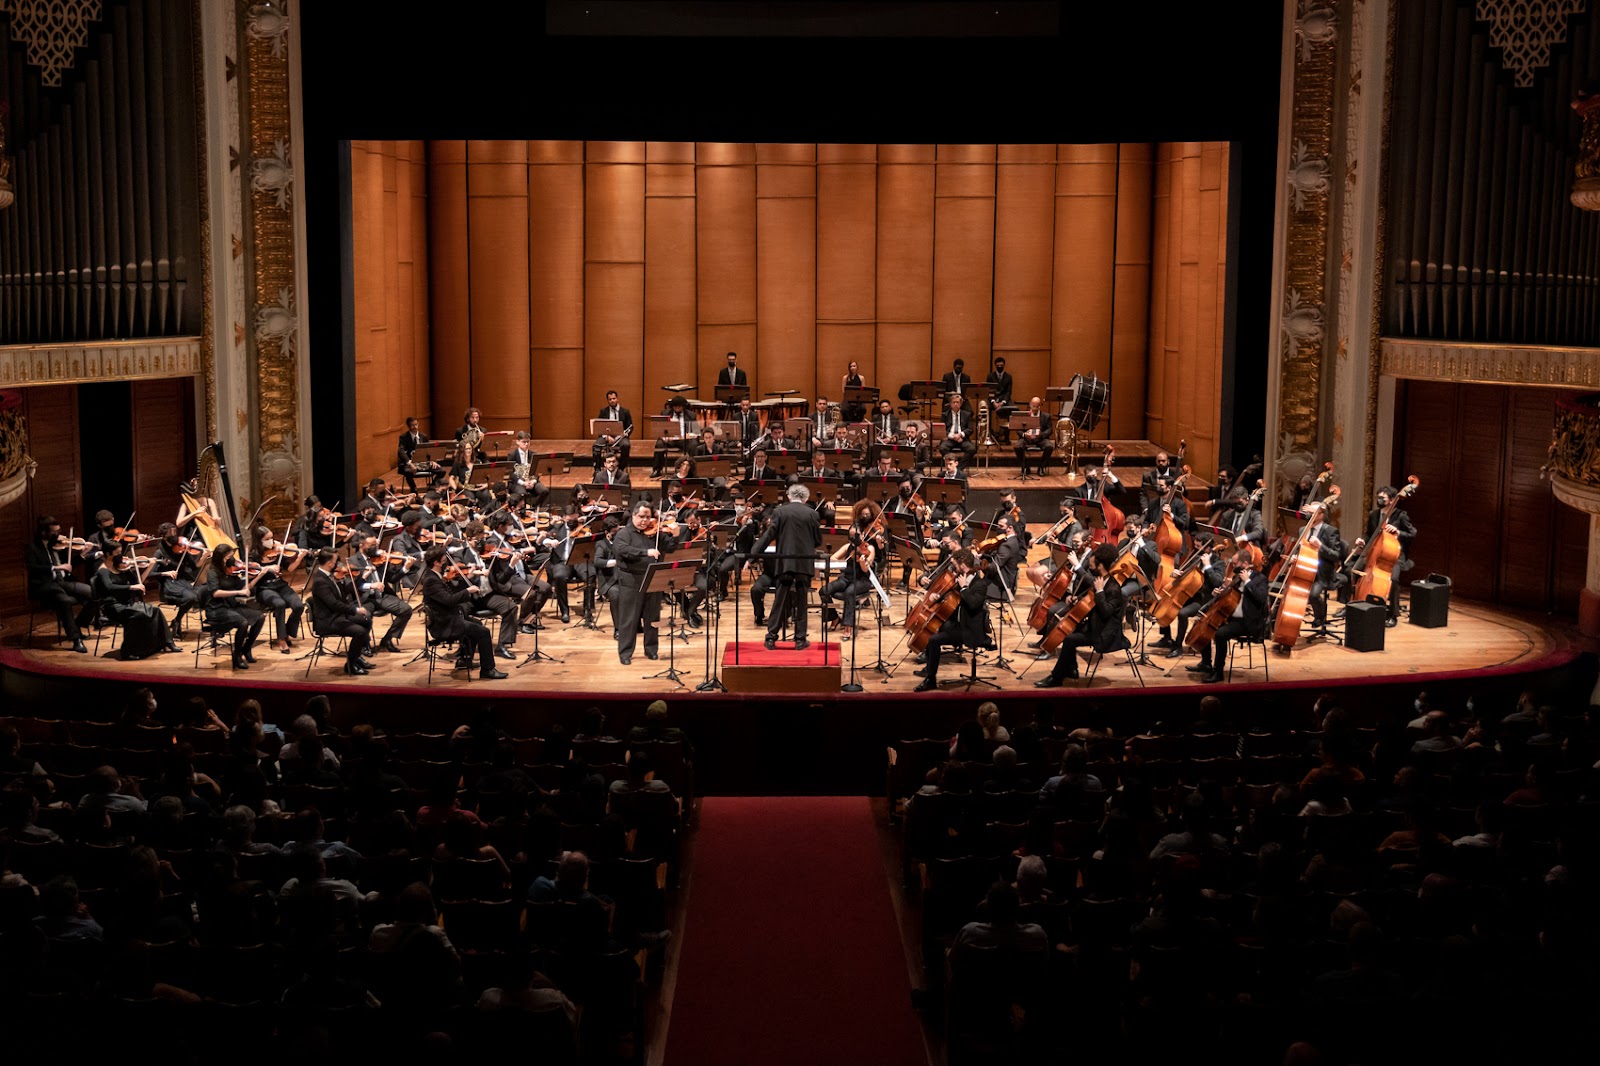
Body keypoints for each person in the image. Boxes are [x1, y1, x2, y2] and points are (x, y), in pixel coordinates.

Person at [1035, 544, 1128, 687]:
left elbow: (1106, 613)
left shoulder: (1113, 588)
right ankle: (1071, 670)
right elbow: (1091, 603)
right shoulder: (1101, 580)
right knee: (1068, 633)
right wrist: (1076, 600)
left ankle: (1057, 677)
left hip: (1105, 635)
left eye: (1092, 566)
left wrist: (1099, 592)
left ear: (1101, 566)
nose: (1090, 569)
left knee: (1070, 638)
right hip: (1096, 626)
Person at [752, 482, 823, 650]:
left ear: (789, 497)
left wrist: (753, 555)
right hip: (804, 563)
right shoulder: (812, 514)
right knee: (801, 600)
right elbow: (818, 541)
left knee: (780, 599)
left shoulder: (779, 512)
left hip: (785, 563)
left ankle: (771, 638)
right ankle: (800, 640)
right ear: (805, 499)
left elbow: (768, 536)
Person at [419, 546, 506, 679]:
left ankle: (464, 660)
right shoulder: (431, 580)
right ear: (436, 563)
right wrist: (468, 591)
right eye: (444, 561)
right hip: (444, 624)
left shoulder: (435, 576)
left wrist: (469, 579)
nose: (446, 564)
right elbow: (449, 600)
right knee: (484, 632)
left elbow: (452, 593)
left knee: (477, 624)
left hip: (449, 618)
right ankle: (488, 670)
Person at [914, 549, 991, 691]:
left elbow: (973, 604)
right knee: (932, 630)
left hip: (970, 629)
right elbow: (951, 599)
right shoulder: (959, 579)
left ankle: (931, 679)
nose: (954, 568)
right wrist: (938, 598)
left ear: (962, 565)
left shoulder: (980, 584)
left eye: (955, 565)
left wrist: (964, 588)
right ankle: (929, 668)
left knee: (934, 640)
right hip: (958, 625)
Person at [91, 544, 179, 658]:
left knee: (156, 610)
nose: (121, 556)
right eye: (118, 553)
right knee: (138, 615)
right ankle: (128, 651)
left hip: (127, 602)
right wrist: (130, 587)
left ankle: (167, 643)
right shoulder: (102, 570)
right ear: (108, 554)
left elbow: (138, 582)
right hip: (112, 606)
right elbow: (110, 587)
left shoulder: (120, 567)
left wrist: (143, 568)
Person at [24, 515, 94, 653]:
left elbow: (68, 565)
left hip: (61, 582)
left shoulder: (56, 545)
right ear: (43, 532)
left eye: (58, 531)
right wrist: (55, 568)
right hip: (43, 585)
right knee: (63, 600)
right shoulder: (32, 548)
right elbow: (32, 568)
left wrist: (84, 552)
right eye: (54, 532)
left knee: (93, 592)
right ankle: (75, 639)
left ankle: (78, 625)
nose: (58, 535)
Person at [1350, 484, 1417, 626]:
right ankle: (1353, 604)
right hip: (1375, 553)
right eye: (1378, 497)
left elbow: (1412, 534)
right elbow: (1369, 534)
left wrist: (1398, 532)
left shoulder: (1401, 515)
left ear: (1392, 500)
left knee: (1393, 579)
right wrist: (1363, 541)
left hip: (1394, 556)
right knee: (1354, 570)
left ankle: (1393, 614)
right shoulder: (1373, 514)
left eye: (1382, 498)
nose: (1379, 500)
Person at [611, 501, 667, 665]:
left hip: (652, 579)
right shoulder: (624, 533)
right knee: (629, 619)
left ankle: (651, 649)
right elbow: (623, 550)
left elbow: (669, 547)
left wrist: (675, 533)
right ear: (634, 515)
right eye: (641, 516)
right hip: (631, 581)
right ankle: (625, 652)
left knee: (652, 616)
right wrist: (645, 552)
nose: (645, 520)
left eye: (648, 517)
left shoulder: (654, 533)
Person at [1203, 550, 1269, 684]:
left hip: (1249, 622)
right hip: (1233, 619)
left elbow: (1261, 598)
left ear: (1244, 564)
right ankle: (1206, 664)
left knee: (1220, 634)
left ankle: (1218, 672)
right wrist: (1218, 593)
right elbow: (1230, 597)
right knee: (1207, 625)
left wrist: (1248, 582)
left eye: (1235, 564)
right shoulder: (1237, 579)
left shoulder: (1260, 579)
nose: (1233, 567)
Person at [822, 500, 885, 640]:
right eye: (851, 536)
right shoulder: (847, 547)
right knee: (824, 590)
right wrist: (839, 561)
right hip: (846, 578)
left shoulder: (869, 548)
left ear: (862, 535)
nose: (853, 539)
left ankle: (847, 628)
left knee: (850, 593)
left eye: (856, 536)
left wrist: (863, 561)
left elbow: (866, 569)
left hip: (862, 580)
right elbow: (833, 558)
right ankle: (834, 617)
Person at [308, 548, 374, 676]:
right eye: (336, 561)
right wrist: (356, 609)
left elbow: (344, 594)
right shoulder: (320, 581)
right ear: (329, 564)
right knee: (359, 632)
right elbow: (334, 604)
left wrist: (354, 579)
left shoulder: (330, 577)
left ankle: (356, 656)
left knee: (366, 620)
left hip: (338, 616)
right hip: (328, 621)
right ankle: (350, 664)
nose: (338, 564)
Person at [203, 544, 266, 670]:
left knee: (260, 617)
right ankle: (237, 656)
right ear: (220, 558)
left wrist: (258, 576)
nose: (232, 559)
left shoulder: (230, 571)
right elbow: (215, 593)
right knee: (243, 622)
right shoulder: (212, 573)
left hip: (231, 606)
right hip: (217, 609)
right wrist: (237, 593)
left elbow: (243, 589)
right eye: (228, 557)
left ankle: (246, 649)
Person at [505, 430, 551, 509]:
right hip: (517, 482)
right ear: (517, 442)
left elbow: (538, 471)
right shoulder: (512, 455)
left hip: (531, 481)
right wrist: (523, 483)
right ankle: (523, 512)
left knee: (544, 491)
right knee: (523, 494)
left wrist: (533, 481)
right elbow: (511, 474)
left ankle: (534, 508)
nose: (526, 444)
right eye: (524, 442)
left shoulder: (533, 455)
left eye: (528, 442)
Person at [1013, 396, 1054, 474]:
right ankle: (1025, 467)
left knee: (1049, 447)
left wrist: (1041, 435)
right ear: (1030, 405)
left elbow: (1050, 429)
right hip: (1027, 438)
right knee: (1017, 447)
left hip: (1040, 438)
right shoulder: (1024, 415)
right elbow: (1018, 429)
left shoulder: (1046, 416)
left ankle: (1042, 467)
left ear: (1040, 406)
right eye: (1033, 406)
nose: (1035, 408)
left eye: (1037, 406)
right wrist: (1024, 434)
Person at [397, 416, 440, 491]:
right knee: (408, 472)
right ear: (408, 426)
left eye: (416, 424)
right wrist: (410, 463)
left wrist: (433, 461)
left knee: (441, 471)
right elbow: (401, 451)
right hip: (410, 463)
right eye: (412, 425)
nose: (415, 427)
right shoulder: (404, 437)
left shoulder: (424, 436)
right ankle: (414, 491)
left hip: (423, 463)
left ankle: (431, 487)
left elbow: (429, 450)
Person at [592, 389, 634, 462]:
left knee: (626, 445)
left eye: (614, 398)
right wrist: (607, 437)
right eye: (610, 399)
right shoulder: (603, 411)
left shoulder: (625, 411)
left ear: (617, 399)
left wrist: (625, 433)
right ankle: (597, 470)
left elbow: (630, 426)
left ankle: (621, 468)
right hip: (606, 436)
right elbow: (599, 426)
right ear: (608, 401)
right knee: (596, 446)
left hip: (621, 436)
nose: (612, 401)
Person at [984, 356, 1015, 443]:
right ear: (995, 365)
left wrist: (1002, 403)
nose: (1000, 367)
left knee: (1011, 409)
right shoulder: (990, 376)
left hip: (1004, 399)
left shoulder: (1008, 377)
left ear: (1004, 365)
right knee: (987, 409)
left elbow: (1008, 392)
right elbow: (989, 390)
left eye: (1001, 365)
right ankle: (989, 434)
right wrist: (993, 402)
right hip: (993, 399)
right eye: (998, 365)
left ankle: (1006, 436)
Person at [940, 393, 977, 465]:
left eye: (957, 402)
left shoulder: (967, 414)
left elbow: (970, 429)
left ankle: (958, 468)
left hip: (963, 439)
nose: (955, 404)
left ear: (961, 404)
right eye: (953, 402)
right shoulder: (945, 415)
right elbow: (942, 430)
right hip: (949, 438)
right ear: (950, 404)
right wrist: (953, 436)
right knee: (942, 448)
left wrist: (960, 435)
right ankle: (951, 465)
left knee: (972, 449)